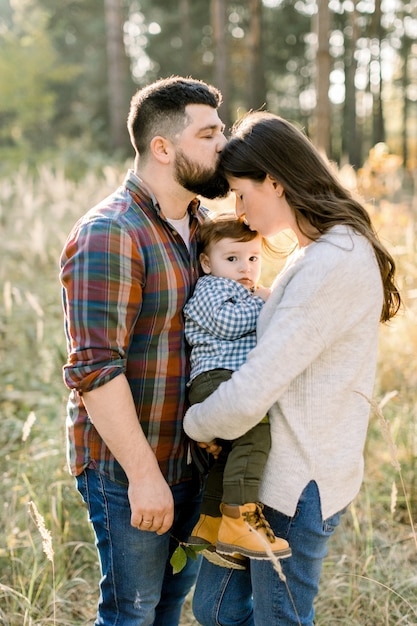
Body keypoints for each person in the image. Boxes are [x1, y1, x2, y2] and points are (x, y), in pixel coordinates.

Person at [183, 111, 401, 626]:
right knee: (215, 608)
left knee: (278, 620)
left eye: (242, 193)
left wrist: (194, 426)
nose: (239, 210)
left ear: (275, 182)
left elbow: (254, 387)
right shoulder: (318, 252)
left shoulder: (332, 262)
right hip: (267, 474)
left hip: (298, 483)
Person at [60, 76, 229, 626]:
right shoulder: (112, 234)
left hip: (191, 462)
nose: (224, 145)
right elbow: (95, 371)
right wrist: (144, 477)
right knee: (130, 615)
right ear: (163, 147)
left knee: (167, 609)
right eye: (209, 134)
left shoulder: (202, 228)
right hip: (128, 468)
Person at [184, 214, 291, 570]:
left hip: (227, 379)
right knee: (256, 431)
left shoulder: (238, 290)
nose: (245, 268)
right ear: (206, 262)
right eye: (232, 258)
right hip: (215, 378)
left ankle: (210, 523)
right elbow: (228, 324)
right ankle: (240, 519)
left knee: (230, 453)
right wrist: (268, 301)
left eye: (253, 258)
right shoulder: (212, 287)